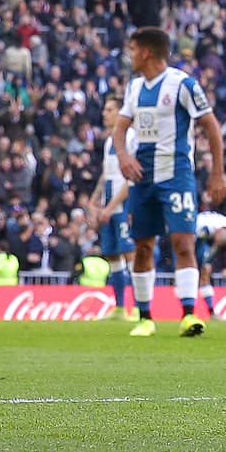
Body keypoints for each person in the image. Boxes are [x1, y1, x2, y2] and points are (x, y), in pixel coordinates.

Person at [113, 27, 226, 338]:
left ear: (146, 52)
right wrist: (123, 156)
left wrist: (218, 173)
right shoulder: (135, 88)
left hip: (176, 175)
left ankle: (189, 314)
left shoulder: (183, 84)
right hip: (142, 178)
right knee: (142, 246)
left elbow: (211, 127)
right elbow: (120, 129)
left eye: (133, 49)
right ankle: (145, 316)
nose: (130, 54)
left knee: (183, 242)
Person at [90, 96, 137, 321]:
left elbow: (132, 178)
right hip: (110, 204)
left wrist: (111, 206)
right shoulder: (111, 141)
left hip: (124, 204)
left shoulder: (130, 137)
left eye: (109, 109)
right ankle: (119, 307)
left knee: (131, 254)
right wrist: (94, 200)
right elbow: (106, 174)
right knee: (112, 254)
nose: (104, 113)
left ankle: (139, 307)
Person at [194, 209, 226, 318]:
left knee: (205, 273)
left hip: (207, 239)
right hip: (194, 237)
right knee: (197, 270)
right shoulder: (203, 228)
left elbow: (225, 249)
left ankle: (210, 311)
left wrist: (225, 266)